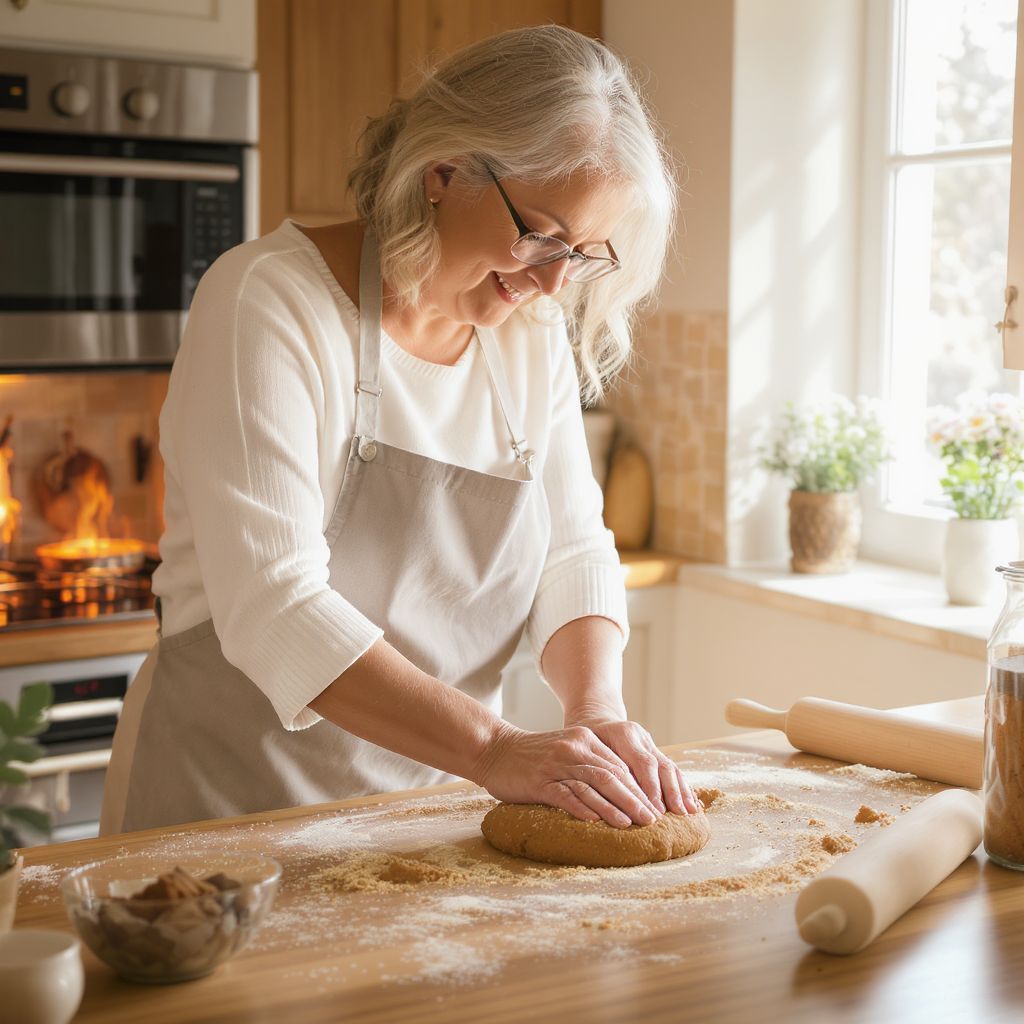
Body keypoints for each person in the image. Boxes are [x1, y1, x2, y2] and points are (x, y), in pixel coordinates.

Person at [100, 23, 698, 835]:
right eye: (542, 235)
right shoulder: (268, 302)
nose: (555, 281)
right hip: (226, 816)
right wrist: (494, 750)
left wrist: (594, 709)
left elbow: (573, 551)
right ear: (443, 170)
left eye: (586, 252)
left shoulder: (527, 338)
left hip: (428, 817)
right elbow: (276, 604)